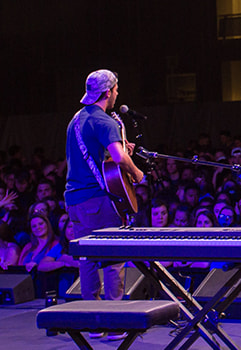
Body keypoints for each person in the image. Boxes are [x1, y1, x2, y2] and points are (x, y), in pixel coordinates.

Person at [64, 70, 143, 341]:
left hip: (74, 199)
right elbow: (118, 158)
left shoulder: (76, 118)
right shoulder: (104, 120)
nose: (117, 94)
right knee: (113, 259)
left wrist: (120, 148)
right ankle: (115, 324)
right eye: (116, 90)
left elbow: (95, 152)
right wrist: (136, 172)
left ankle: (94, 323)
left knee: (87, 259)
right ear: (108, 92)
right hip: (98, 199)